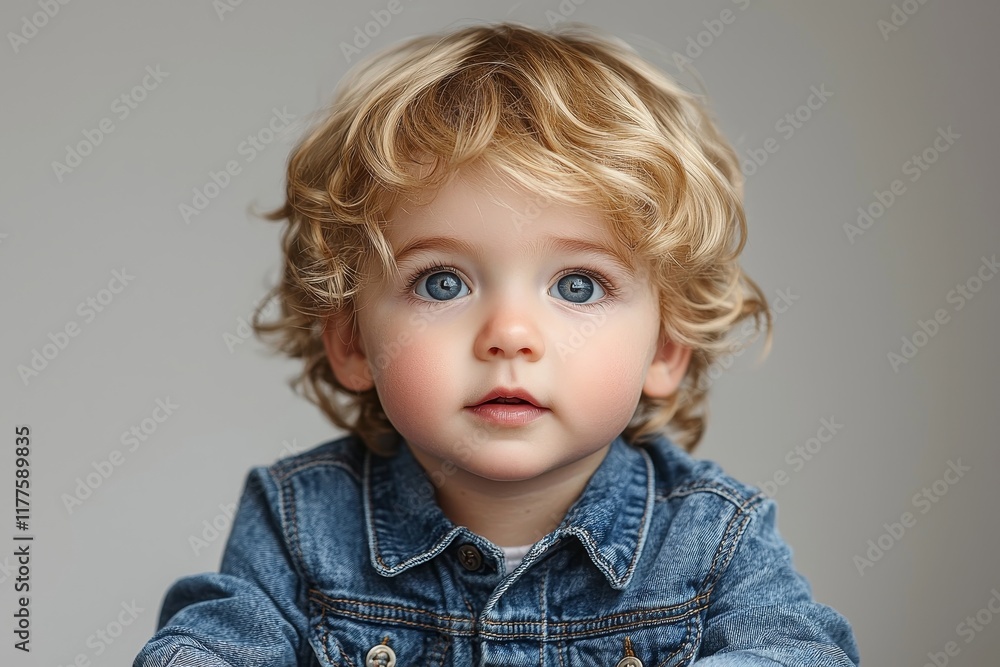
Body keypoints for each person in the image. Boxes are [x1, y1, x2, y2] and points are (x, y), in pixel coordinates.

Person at [134, 21, 859, 667]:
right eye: (443, 283)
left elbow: (798, 651)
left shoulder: (710, 537)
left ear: (667, 347)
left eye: (577, 285)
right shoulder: (301, 523)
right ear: (351, 339)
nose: (509, 333)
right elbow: (213, 643)